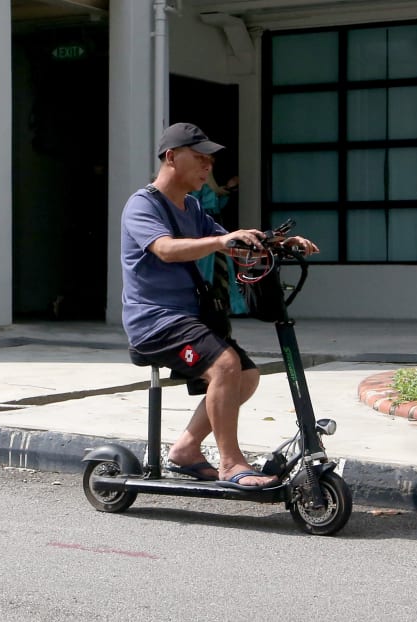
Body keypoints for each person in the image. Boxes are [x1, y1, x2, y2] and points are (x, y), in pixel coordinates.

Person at [120, 122, 319, 489]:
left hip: (188, 319)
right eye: (199, 159)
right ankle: (230, 463)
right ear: (170, 157)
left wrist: (279, 242)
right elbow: (164, 249)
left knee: (246, 374)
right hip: (155, 322)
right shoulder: (143, 205)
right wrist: (219, 242)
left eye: (209, 161)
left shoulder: (191, 207)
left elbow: (229, 240)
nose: (208, 168)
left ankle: (186, 448)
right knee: (225, 365)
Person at [191, 172, 247, 316]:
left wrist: (227, 189)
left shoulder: (209, 189)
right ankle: (206, 304)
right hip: (202, 231)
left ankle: (220, 305)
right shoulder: (195, 189)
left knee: (221, 268)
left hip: (213, 227)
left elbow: (218, 203)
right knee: (206, 269)